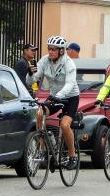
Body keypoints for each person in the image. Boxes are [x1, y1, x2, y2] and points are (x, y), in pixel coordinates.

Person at [27, 35, 80, 170]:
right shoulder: (45, 60)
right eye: (49, 48)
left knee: (64, 124)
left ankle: (72, 155)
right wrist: (30, 74)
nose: (50, 51)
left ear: (61, 51)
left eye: (54, 49)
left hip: (70, 97)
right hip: (55, 95)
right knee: (40, 114)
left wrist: (60, 95)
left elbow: (70, 83)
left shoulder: (69, 63)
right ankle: (43, 149)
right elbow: (31, 81)